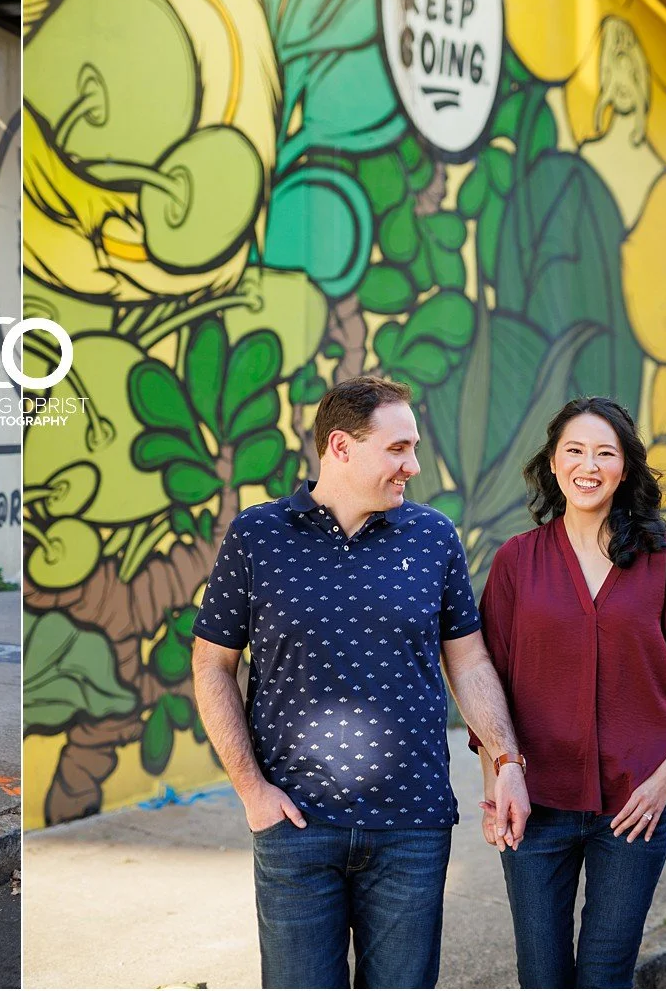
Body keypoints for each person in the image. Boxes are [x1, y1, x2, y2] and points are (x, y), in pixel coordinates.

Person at [192, 375, 530, 989]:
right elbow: (212, 663)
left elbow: (471, 662)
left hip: (412, 829)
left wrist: (506, 758)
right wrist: (251, 791)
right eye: (398, 448)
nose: (414, 465)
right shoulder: (257, 536)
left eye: (414, 447)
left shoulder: (433, 536)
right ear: (341, 448)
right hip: (296, 825)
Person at [472, 396, 666, 988]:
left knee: (605, 976)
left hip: (635, 804)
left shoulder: (662, 557)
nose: (589, 465)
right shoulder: (516, 562)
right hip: (536, 801)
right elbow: (485, 681)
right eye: (574, 450)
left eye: (606, 452)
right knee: (541, 977)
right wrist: (496, 782)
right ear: (553, 462)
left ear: (625, 467)